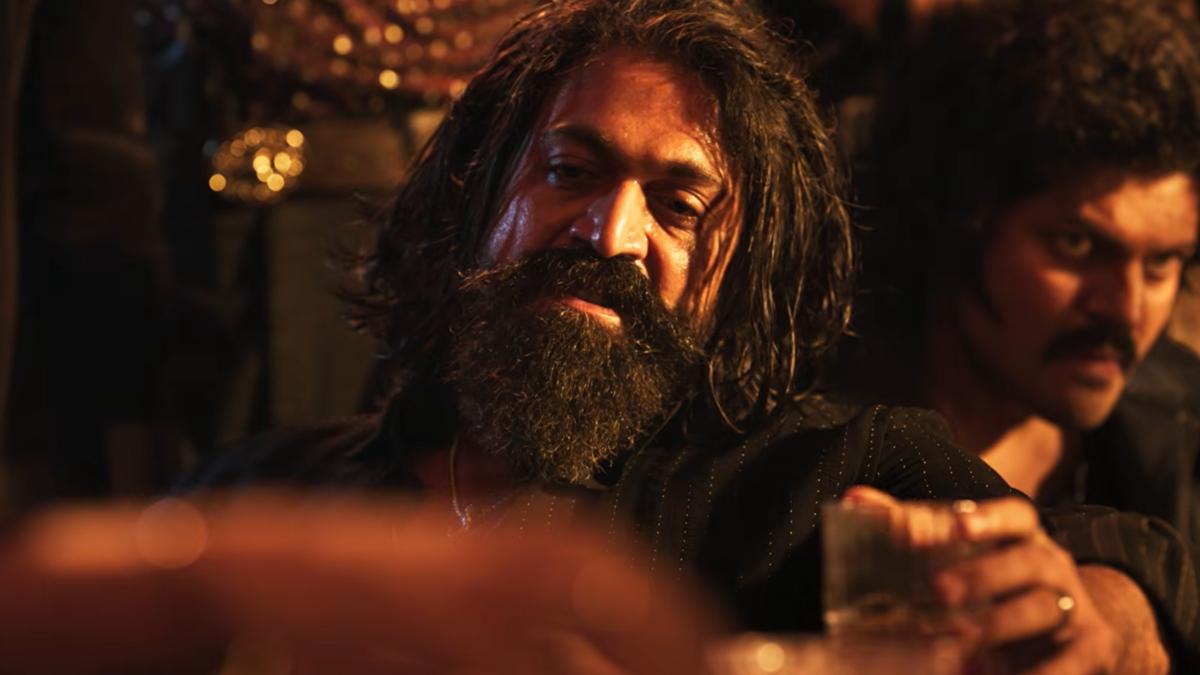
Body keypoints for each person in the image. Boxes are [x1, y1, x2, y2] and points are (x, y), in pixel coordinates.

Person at [8, 0, 1188, 672]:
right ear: (480, 198)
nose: (610, 234)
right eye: (571, 172)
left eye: (679, 205)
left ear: (743, 270)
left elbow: (1130, 563)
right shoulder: (265, 487)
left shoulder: (818, 482)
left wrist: (1100, 609)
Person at [848, 0, 1200, 548]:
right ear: (959, 219)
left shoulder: (1183, 434)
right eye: (1077, 246)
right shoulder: (812, 441)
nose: (1126, 309)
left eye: (1161, 263)